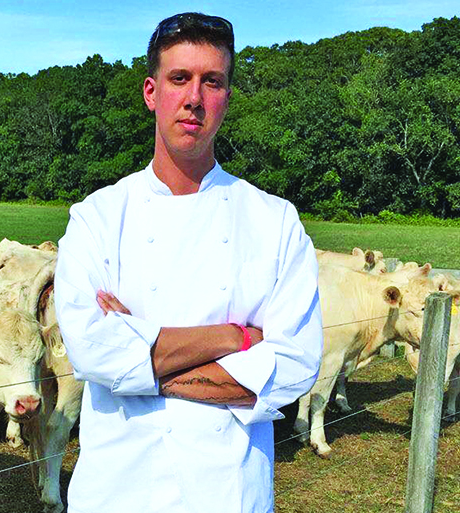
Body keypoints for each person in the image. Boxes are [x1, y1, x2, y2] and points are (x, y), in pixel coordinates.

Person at [53, 12, 324, 513]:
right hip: (116, 489)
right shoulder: (98, 217)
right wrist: (234, 339)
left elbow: (294, 366)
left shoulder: (274, 221)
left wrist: (138, 353)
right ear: (152, 92)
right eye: (180, 78)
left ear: (227, 98)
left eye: (212, 82)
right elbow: (91, 351)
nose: (194, 98)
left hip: (227, 491)